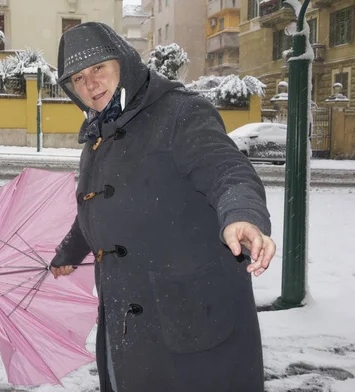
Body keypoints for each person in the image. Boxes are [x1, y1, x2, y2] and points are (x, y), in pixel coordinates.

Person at [49, 22, 276, 392]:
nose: (89, 84)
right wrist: (68, 252)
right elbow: (97, 208)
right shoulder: (97, 137)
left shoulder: (179, 113)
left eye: (98, 68)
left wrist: (242, 214)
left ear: (123, 63)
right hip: (125, 316)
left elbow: (227, 169)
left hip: (190, 318)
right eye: (77, 78)